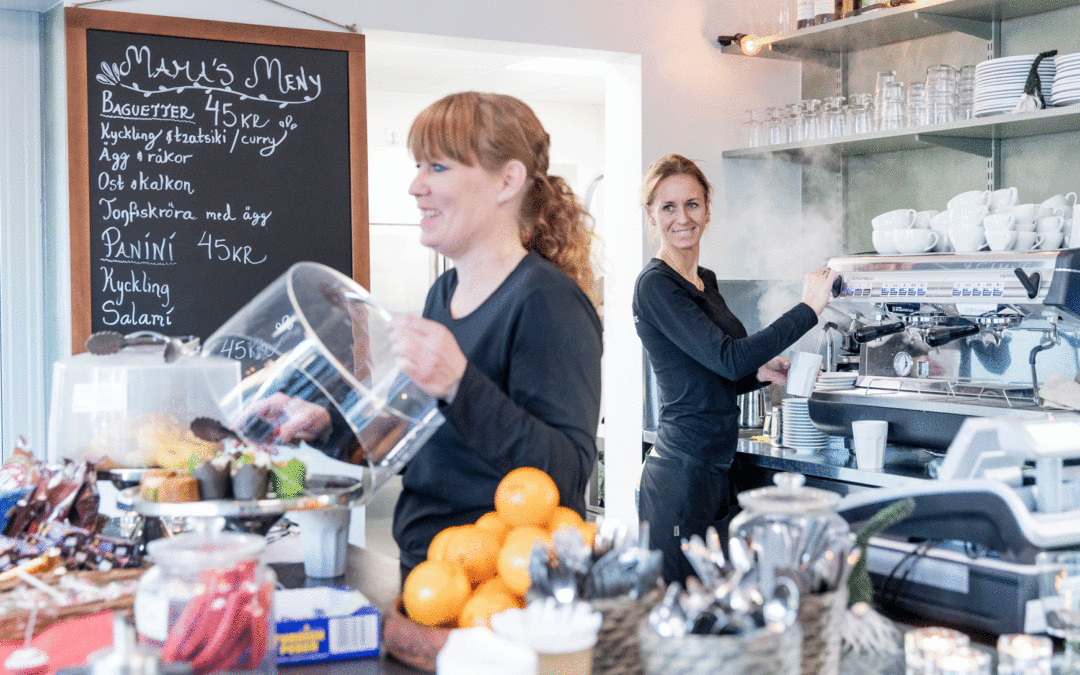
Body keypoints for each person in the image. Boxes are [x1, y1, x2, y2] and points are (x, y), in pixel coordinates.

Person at [383, 92, 602, 577]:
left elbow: (565, 477)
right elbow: (431, 442)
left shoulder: (546, 300)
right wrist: (326, 424)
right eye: (419, 166)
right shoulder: (444, 290)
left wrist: (462, 382)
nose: (416, 186)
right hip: (427, 573)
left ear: (507, 180)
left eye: (438, 167)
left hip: (497, 587)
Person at [632, 153, 837, 584]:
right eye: (667, 207)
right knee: (685, 615)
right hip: (680, 479)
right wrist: (808, 309)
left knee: (726, 609)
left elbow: (719, 370)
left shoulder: (704, 280)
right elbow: (728, 355)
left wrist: (757, 374)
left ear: (707, 209)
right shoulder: (656, 285)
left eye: (692, 204)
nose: (682, 217)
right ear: (651, 214)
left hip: (718, 474)